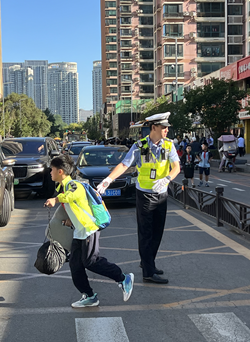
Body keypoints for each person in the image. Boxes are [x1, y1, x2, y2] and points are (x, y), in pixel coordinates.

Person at [96, 112, 181, 284]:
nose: (166, 130)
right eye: (163, 127)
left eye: (167, 127)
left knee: (157, 233)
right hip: (145, 195)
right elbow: (124, 165)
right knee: (145, 234)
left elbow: (176, 167)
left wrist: (167, 179)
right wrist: (108, 180)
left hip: (161, 194)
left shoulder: (169, 146)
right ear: (154, 127)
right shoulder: (140, 146)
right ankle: (148, 273)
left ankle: (148, 262)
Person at [44, 155, 134, 308]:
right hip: (79, 232)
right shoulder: (64, 187)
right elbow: (78, 207)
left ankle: (123, 278)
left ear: (60, 171)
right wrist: (69, 221)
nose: (49, 172)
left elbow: (72, 196)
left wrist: (56, 199)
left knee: (90, 261)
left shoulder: (73, 185)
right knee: (75, 265)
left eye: (51, 170)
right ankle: (89, 296)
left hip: (88, 230)